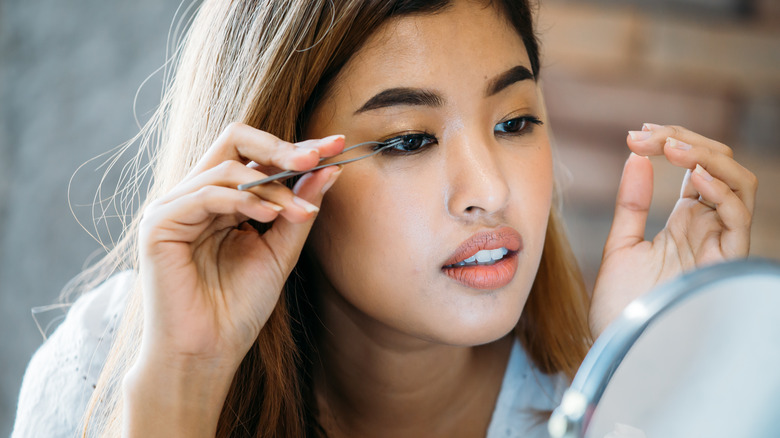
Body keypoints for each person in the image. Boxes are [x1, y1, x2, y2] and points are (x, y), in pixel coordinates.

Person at [12, 0, 757, 437]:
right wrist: (180, 386)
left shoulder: (609, 403)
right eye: (408, 140)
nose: (489, 191)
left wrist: (642, 378)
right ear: (277, 169)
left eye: (515, 122)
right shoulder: (107, 369)